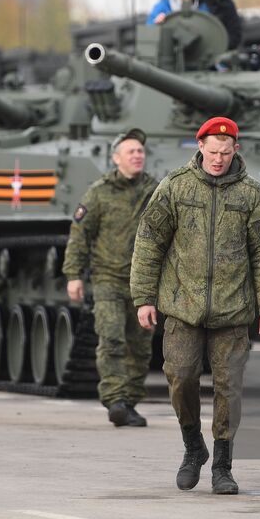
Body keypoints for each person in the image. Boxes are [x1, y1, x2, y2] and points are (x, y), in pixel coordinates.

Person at [130, 117, 260, 496]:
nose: (218, 159)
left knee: (228, 389)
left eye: (225, 152)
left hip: (232, 312)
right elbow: (149, 242)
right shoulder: (175, 188)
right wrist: (144, 297)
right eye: (212, 152)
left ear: (236, 151)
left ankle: (222, 466)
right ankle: (193, 447)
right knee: (180, 378)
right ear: (200, 147)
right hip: (183, 307)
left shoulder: (251, 194)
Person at [62, 128, 159, 428]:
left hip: (144, 283)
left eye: (141, 151)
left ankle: (129, 401)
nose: (137, 155)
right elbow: (80, 235)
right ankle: (116, 401)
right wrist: (73, 275)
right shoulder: (99, 192)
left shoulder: (155, 190)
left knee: (140, 346)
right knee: (112, 338)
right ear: (117, 158)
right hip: (108, 279)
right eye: (131, 152)